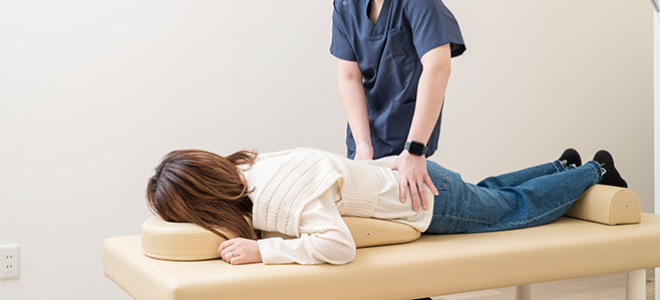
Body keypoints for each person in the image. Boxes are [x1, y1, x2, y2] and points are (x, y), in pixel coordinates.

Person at [146, 147, 627, 266]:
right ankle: (562, 167)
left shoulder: (280, 198)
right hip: (408, 176)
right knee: (491, 190)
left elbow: (337, 247)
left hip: (423, 202)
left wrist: (263, 253)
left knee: (513, 210)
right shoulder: (255, 165)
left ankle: (594, 171)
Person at [329, 0, 466, 213]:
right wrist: (363, 147)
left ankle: (572, 170)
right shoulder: (345, 7)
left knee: (468, 204)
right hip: (365, 148)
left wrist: (415, 150)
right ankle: (564, 167)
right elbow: (348, 77)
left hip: (408, 148)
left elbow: (438, 67)